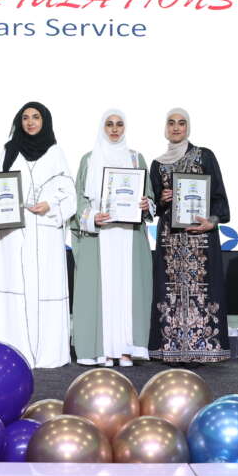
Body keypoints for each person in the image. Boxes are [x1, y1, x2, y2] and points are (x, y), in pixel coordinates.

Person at [0, 101, 75, 368]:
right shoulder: (9, 151)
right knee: (14, 287)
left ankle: (49, 353)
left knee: (46, 288)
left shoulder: (56, 153)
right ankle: (13, 351)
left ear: (44, 121)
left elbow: (69, 195)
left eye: (35, 117)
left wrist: (51, 205)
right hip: (14, 232)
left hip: (46, 230)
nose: (30, 122)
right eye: (25, 117)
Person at [148, 108, 232, 365]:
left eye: (181, 123)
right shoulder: (157, 164)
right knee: (170, 291)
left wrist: (212, 222)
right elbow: (153, 208)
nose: (176, 127)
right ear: (165, 128)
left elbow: (219, 197)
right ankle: (171, 348)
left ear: (188, 127)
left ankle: (202, 347)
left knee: (202, 290)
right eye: (171, 123)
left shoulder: (204, 155)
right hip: (170, 239)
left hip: (201, 236)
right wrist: (162, 199)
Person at [70, 109, 153, 367]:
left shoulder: (136, 158)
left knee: (126, 292)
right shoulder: (89, 159)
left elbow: (148, 196)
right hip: (102, 236)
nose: (114, 129)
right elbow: (79, 199)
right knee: (103, 293)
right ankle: (103, 350)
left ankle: (127, 349)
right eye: (109, 124)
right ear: (102, 127)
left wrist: (145, 204)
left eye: (119, 124)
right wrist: (92, 217)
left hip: (128, 237)